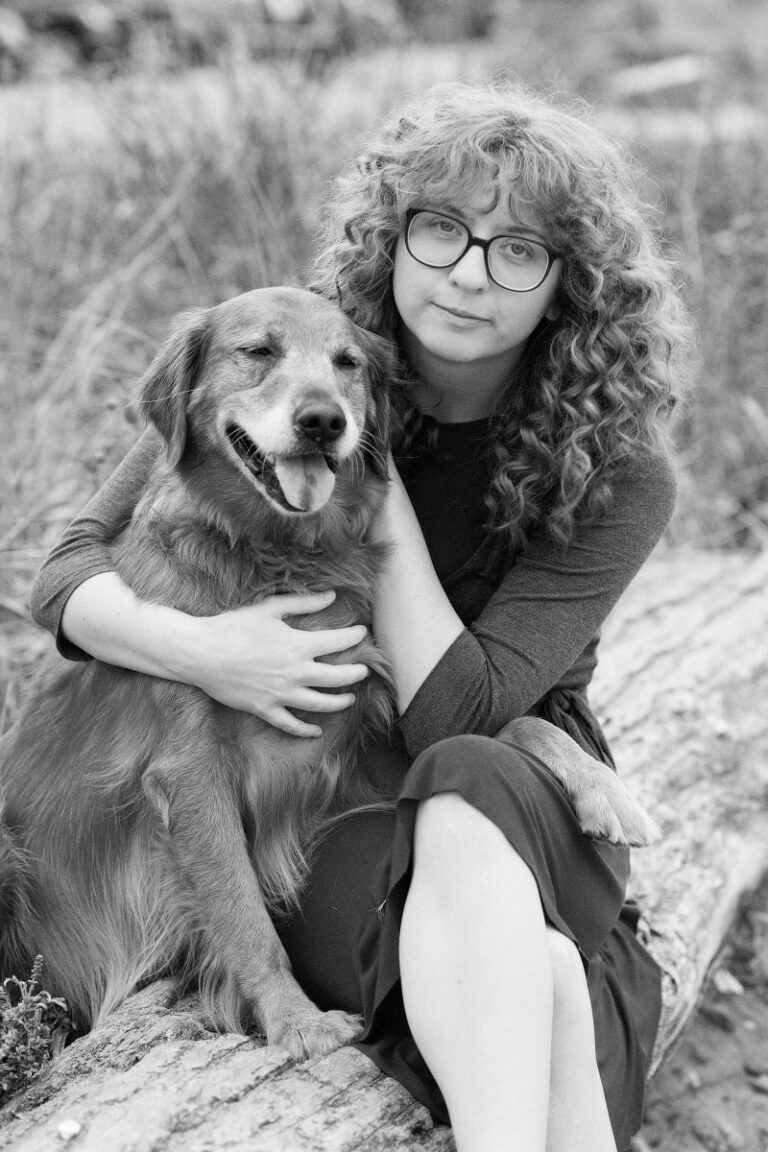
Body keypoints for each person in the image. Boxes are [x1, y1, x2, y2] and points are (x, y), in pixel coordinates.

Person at [30, 80, 691, 1152]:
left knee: (467, 782)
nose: (471, 273)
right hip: (362, 811)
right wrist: (209, 652)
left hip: (517, 793)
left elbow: (457, 720)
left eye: (519, 250)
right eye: (442, 231)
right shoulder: (296, 358)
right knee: (543, 973)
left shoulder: (615, 470)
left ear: (572, 288)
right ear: (393, 237)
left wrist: (372, 488)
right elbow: (65, 574)